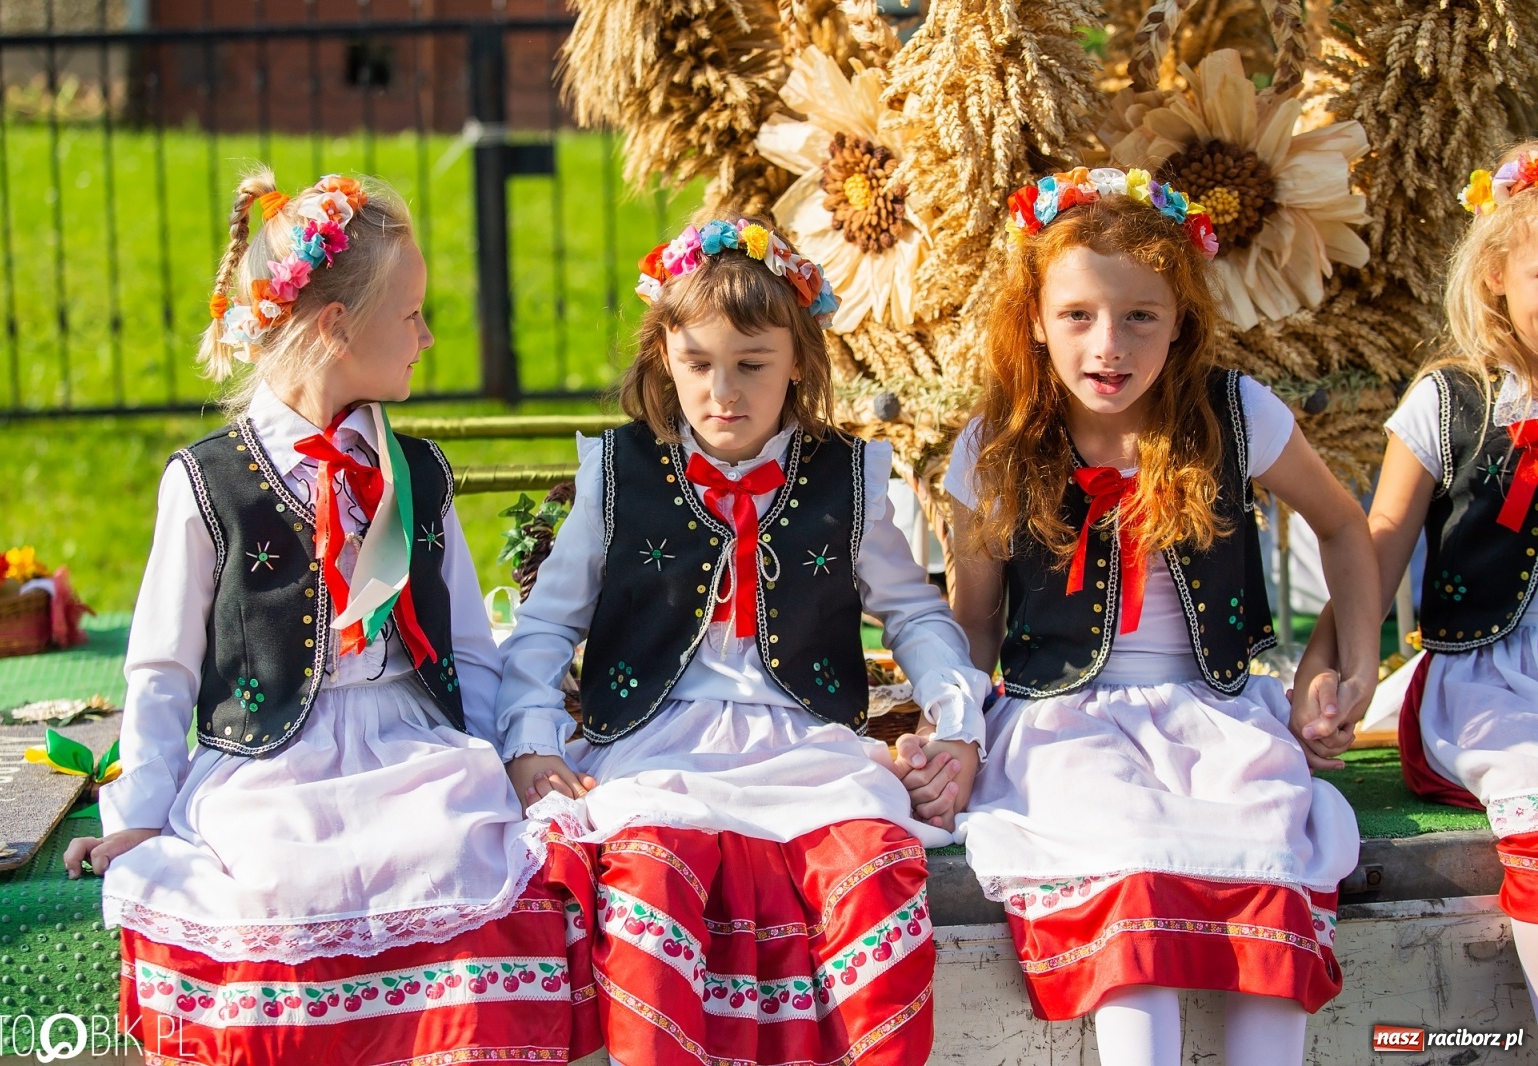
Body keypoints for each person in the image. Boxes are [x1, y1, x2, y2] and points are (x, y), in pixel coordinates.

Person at [63, 170, 600, 1065]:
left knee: (466, 851)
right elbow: (160, 668)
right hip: (275, 761)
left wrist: (512, 754)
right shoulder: (208, 482)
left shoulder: (415, 472)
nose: (428, 337)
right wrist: (142, 814)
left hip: (412, 747)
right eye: (413, 316)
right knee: (280, 880)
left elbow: (468, 647)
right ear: (336, 328)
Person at [493, 217, 990, 1066]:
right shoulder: (618, 476)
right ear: (664, 361)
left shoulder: (848, 477)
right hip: (657, 747)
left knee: (873, 879)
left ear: (798, 359)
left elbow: (915, 612)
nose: (724, 391)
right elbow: (544, 627)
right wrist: (531, 742)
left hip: (808, 748)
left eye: (751, 365)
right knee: (651, 883)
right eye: (698, 365)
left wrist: (956, 719)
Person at [944, 168, 1376, 1066]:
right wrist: (956, 731)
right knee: (1129, 855)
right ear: (1034, 316)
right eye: (1078, 315)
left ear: (1181, 319)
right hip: (1062, 720)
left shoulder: (1235, 414)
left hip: (1214, 712)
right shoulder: (996, 445)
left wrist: (1346, 664)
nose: (1110, 343)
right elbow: (974, 626)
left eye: (1141, 314)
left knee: (1265, 843)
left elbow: (1342, 523)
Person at [1303, 142, 1538, 1019]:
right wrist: (1338, 670)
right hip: (1492, 677)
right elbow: (1380, 538)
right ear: (1495, 283)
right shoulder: (1456, 399)